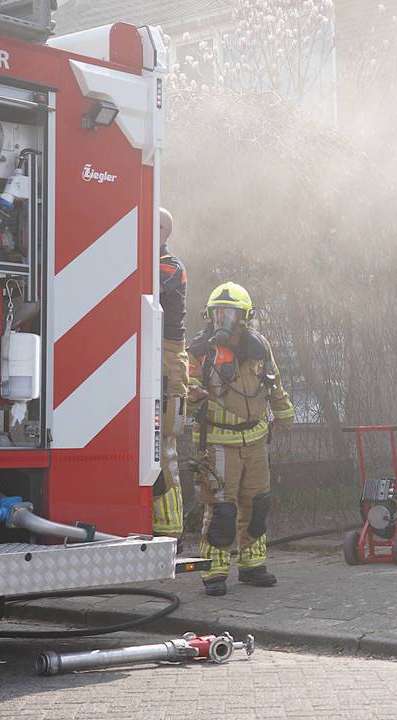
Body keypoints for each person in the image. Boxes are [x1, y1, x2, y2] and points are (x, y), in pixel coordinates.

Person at [187, 281, 294, 595]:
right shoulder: (200, 349)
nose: (225, 320)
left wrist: (284, 414)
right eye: (219, 313)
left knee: (257, 503)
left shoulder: (259, 346)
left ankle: (252, 565)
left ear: (245, 316)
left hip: (256, 439)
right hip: (218, 442)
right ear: (210, 315)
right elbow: (182, 389)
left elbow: (274, 382)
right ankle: (215, 572)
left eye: (231, 313)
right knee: (221, 507)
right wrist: (192, 395)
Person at [151, 208, 186, 542]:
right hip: (151, 356)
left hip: (167, 360)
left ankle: (170, 530)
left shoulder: (170, 266)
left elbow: (143, 285)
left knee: (163, 445)